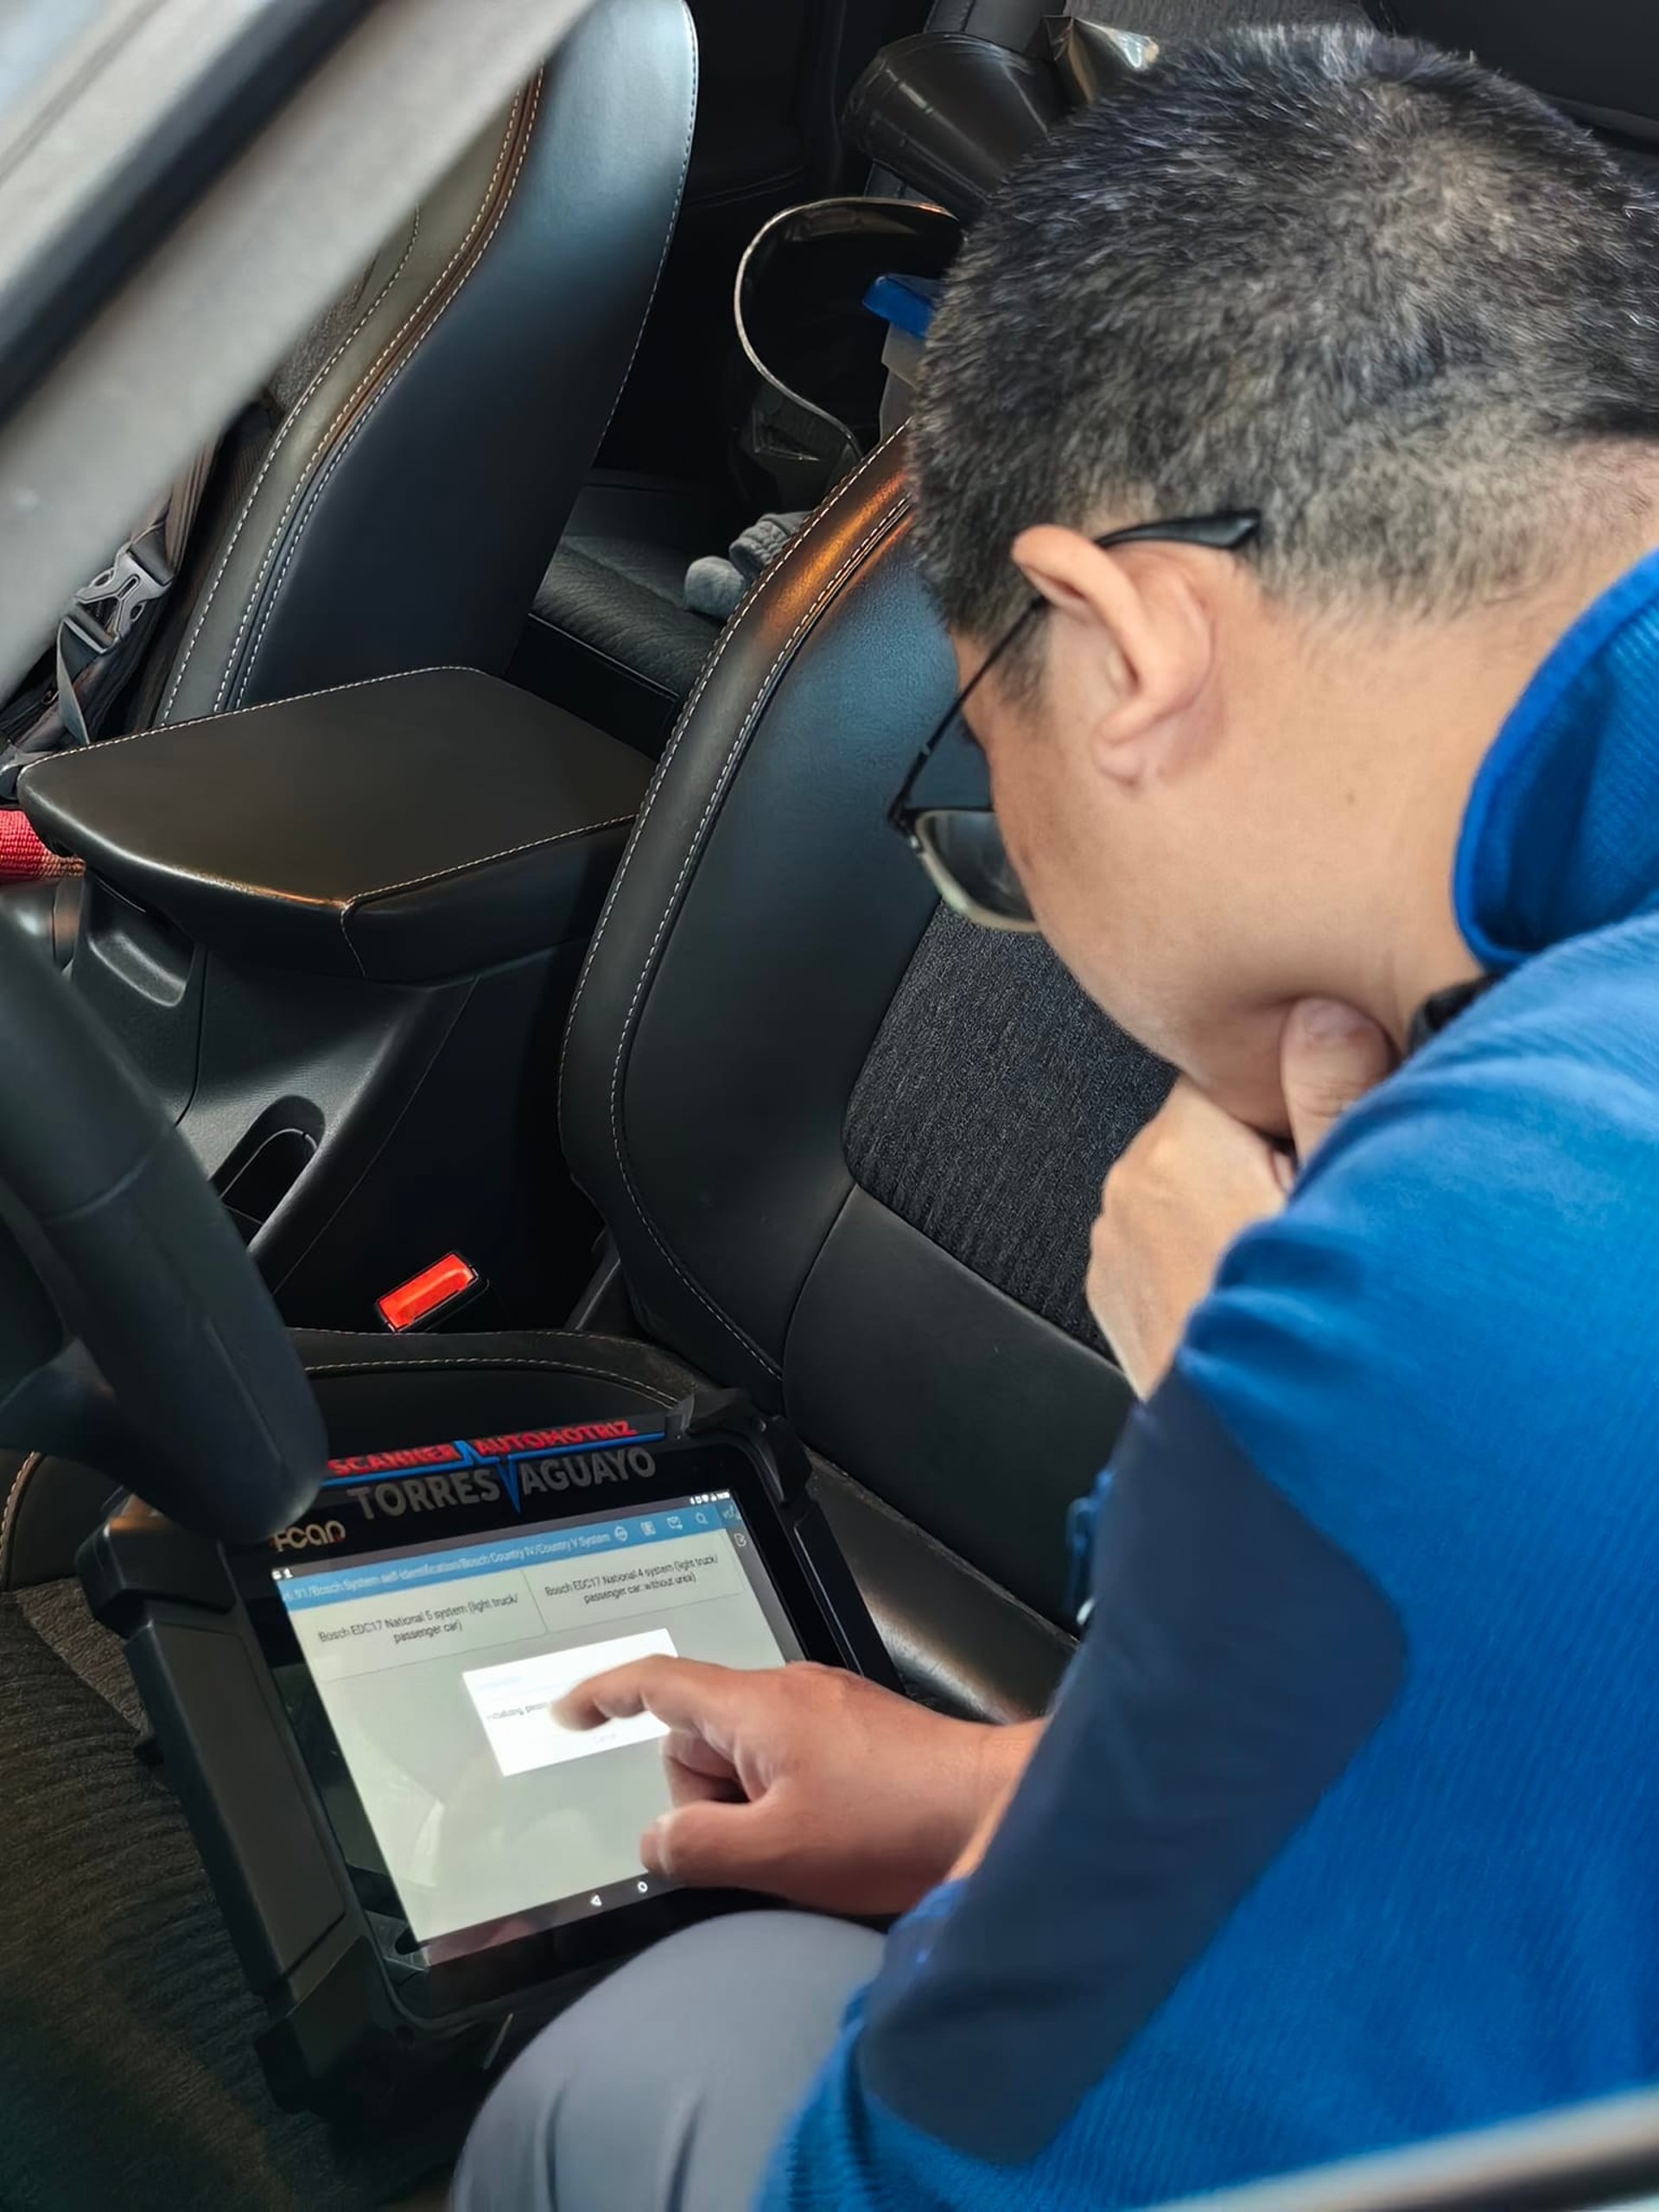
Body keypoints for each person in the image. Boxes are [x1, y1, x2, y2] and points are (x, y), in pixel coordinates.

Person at [454, 24, 1659, 2210]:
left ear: (1124, 648)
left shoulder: (1462, 1284)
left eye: (983, 810)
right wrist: (994, 1789)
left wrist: (1249, 1427)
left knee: (650, 2051)